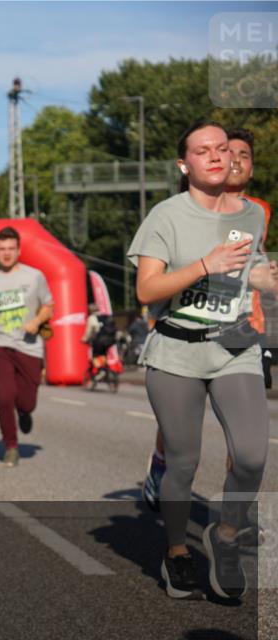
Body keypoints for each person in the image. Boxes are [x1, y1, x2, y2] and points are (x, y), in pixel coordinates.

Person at [129, 119, 273, 601]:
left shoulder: (251, 214)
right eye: (203, 150)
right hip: (176, 350)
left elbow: (251, 270)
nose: (217, 156)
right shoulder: (166, 216)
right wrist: (203, 266)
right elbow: (147, 290)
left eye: (223, 149)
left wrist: (265, 279)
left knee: (252, 455)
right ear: (183, 164)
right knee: (184, 463)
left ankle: (226, 536)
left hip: (234, 347)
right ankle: (176, 553)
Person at [0, 226, 54, 467]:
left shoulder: (34, 276)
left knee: (26, 402)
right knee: (5, 397)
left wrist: (37, 321)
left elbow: (49, 305)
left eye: (11, 248)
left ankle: (25, 413)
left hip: (29, 346)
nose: (6, 253)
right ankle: (11, 446)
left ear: (18, 250)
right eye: (1, 249)